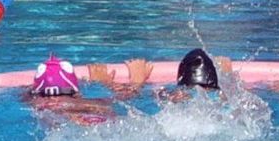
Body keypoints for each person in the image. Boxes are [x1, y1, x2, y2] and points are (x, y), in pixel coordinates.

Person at [86, 47, 234, 103]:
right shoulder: (228, 101)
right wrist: (228, 78)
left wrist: (137, 81)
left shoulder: (174, 98)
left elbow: (125, 101)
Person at [23, 54, 120, 125]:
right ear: (77, 93)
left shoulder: (37, 103)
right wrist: (108, 83)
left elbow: (25, 96)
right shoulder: (86, 103)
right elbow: (117, 100)